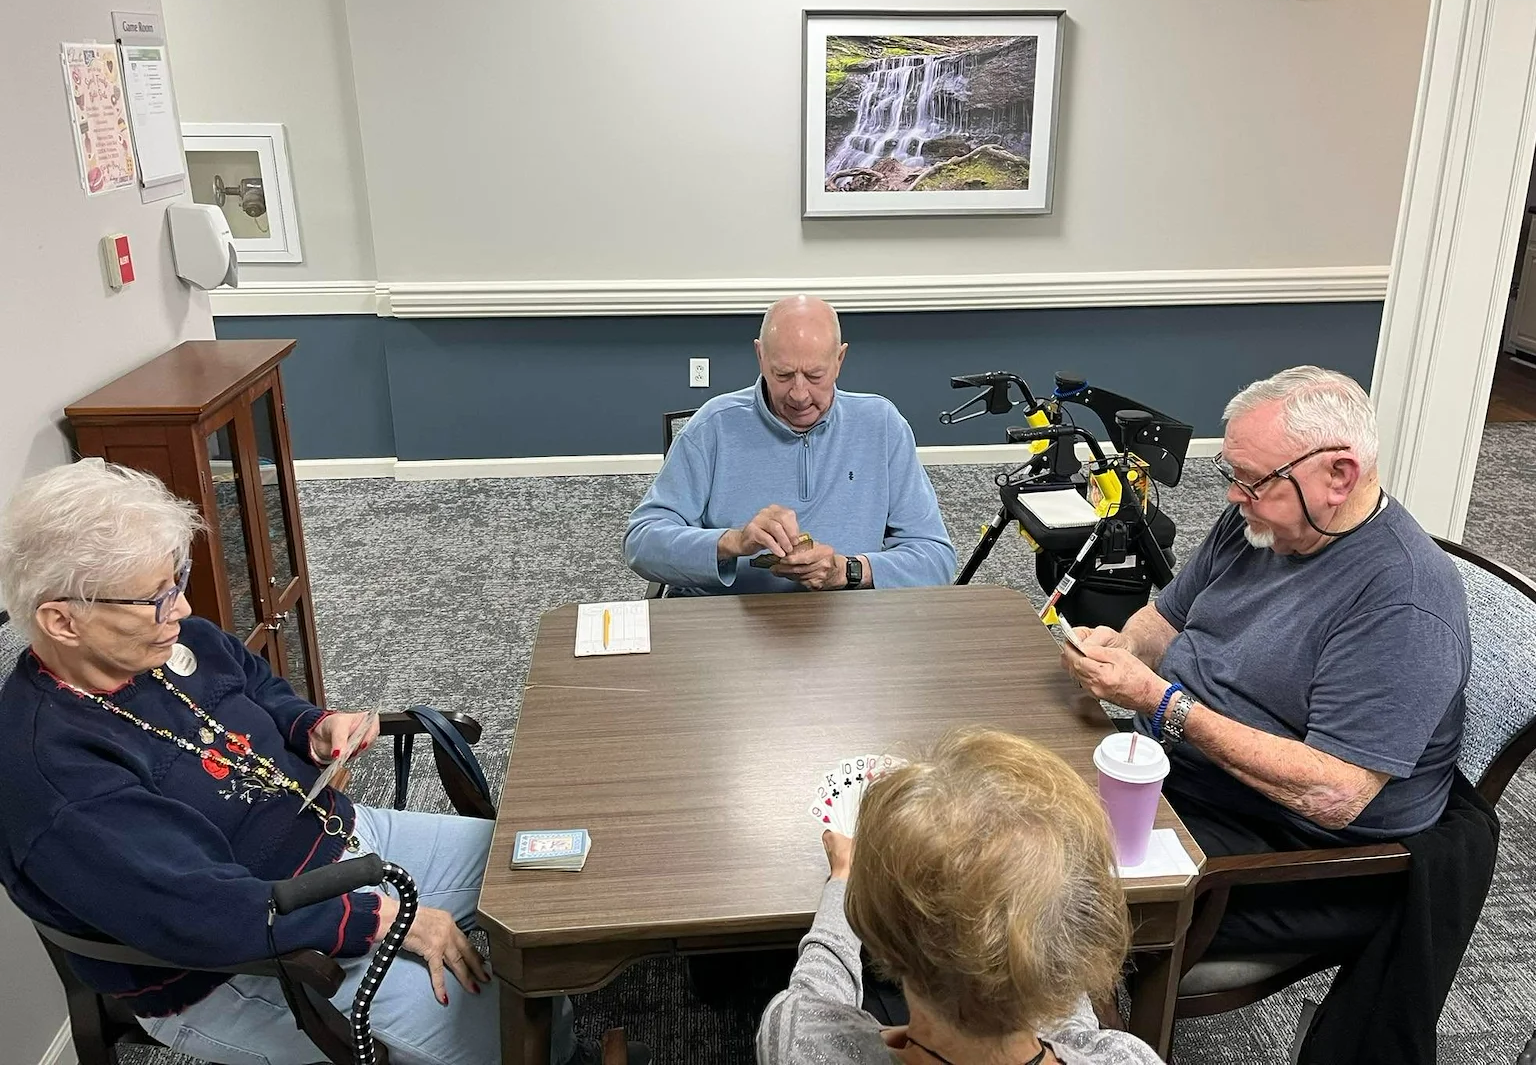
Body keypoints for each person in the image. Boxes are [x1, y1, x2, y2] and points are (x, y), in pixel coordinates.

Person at [0, 460, 639, 1065]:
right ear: (62, 621)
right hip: (236, 961)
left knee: (553, 872)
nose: (184, 612)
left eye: (177, 585)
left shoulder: (168, 641)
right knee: (503, 1028)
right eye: (155, 599)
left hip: (338, 838)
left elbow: (259, 689)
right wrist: (382, 918)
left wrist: (313, 727)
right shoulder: (57, 777)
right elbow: (201, 912)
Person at [1060, 366, 1491, 1064]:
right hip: (1187, 774)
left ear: (1340, 475)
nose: (1235, 496)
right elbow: (1167, 621)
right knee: (1008, 793)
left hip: (1299, 851)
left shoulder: (1403, 600)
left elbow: (1335, 792)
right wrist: (1122, 646)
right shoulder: (1260, 522)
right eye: (1232, 474)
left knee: (1039, 891)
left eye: (1253, 481)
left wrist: (1163, 704)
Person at [758, 727, 1163, 1065]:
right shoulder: (1129, 1058)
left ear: (877, 928)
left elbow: (812, 995)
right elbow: (1072, 1034)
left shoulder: (798, 1042)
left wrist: (843, 877)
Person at [624, 295, 956, 595]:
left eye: (815, 376)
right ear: (760, 356)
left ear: (840, 360)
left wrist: (848, 570)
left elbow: (936, 559)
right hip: (728, 626)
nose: (799, 395)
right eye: (783, 375)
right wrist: (733, 542)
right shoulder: (714, 426)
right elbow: (642, 542)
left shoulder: (882, 425)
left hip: (846, 630)